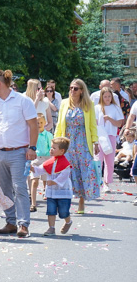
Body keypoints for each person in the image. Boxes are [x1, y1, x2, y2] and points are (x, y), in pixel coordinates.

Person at [0, 69, 38, 237]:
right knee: (4, 189)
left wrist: (32, 147)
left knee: (19, 187)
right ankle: (11, 222)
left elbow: (33, 125)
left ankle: (23, 224)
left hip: (19, 152)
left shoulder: (23, 101)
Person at [53, 79, 100, 213]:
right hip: (67, 142)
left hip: (83, 142)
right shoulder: (64, 103)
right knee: (66, 171)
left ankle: (81, 201)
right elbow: (60, 124)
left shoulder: (88, 104)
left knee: (82, 171)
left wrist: (95, 141)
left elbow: (92, 126)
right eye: (71, 88)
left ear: (81, 91)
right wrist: (56, 141)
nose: (72, 91)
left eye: (75, 88)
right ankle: (64, 201)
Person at [94, 86, 124, 190]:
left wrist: (110, 119)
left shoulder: (115, 108)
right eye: (105, 96)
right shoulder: (97, 107)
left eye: (109, 96)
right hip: (100, 136)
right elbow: (95, 123)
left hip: (111, 135)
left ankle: (107, 182)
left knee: (110, 161)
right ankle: (97, 182)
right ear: (101, 97)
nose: (107, 99)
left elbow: (119, 123)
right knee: (98, 160)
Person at [42, 137, 74, 236]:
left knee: (63, 212)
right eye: (51, 147)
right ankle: (51, 228)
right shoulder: (50, 161)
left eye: (54, 148)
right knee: (50, 211)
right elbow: (41, 169)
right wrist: (33, 169)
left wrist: (54, 181)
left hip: (62, 192)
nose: (51, 149)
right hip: (51, 192)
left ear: (61, 151)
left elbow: (64, 176)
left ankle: (68, 221)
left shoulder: (65, 164)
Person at [29, 114, 53, 212]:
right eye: (37, 123)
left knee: (46, 181)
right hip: (35, 159)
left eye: (41, 122)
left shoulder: (48, 135)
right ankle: (33, 203)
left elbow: (51, 147)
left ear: (45, 123)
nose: (39, 124)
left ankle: (46, 193)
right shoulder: (32, 134)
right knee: (34, 181)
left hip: (46, 159)